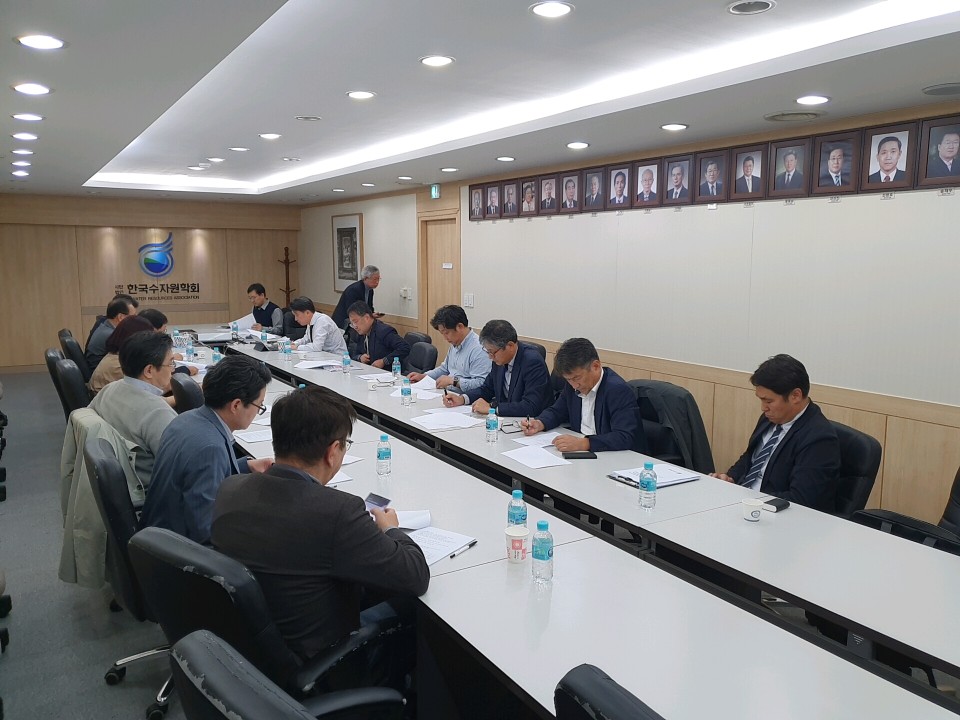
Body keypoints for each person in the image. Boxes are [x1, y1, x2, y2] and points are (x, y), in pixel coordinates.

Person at [211, 386, 429, 668]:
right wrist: (390, 529)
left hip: (247, 647)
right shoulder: (337, 512)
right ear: (333, 451)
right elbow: (415, 576)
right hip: (314, 659)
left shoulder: (230, 487)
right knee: (411, 607)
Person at [140, 354, 274, 544]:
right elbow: (206, 532)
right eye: (259, 405)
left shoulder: (187, 419)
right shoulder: (210, 448)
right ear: (236, 405)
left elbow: (195, 474)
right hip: (177, 550)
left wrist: (247, 466)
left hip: (159, 533)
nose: (258, 410)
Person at [710, 354, 840, 513]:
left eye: (769, 401)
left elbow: (802, 500)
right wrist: (731, 478)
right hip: (747, 503)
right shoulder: (770, 419)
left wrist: (749, 499)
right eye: (761, 400)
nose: (763, 408)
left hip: (777, 514)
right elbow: (750, 457)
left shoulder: (819, 438)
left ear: (795, 396)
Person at [88, 330, 177, 487]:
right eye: (170, 363)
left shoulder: (109, 389)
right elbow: (181, 467)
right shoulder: (158, 413)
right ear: (149, 371)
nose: (173, 369)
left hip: (121, 482)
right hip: (150, 490)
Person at [520, 338, 639, 453]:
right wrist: (540, 423)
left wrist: (585, 443)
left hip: (612, 456)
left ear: (595, 366)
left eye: (577, 378)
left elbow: (624, 436)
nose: (574, 385)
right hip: (580, 453)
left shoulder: (617, 390)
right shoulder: (573, 385)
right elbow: (557, 411)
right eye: (568, 379)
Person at [441, 319, 550, 417]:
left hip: (532, 423)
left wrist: (492, 409)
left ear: (510, 346)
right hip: (507, 420)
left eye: (492, 352)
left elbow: (531, 406)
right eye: (488, 352)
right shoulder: (499, 359)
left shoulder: (532, 362)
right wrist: (462, 399)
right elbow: (487, 389)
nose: (490, 357)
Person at [406, 305, 491, 391]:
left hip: (464, 397)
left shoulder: (479, 349)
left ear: (460, 326)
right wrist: (424, 376)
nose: (445, 338)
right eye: (442, 333)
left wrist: (454, 381)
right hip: (448, 392)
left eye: (446, 333)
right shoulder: (455, 342)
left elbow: (481, 383)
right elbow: (444, 369)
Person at [347, 301, 409, 369]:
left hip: (388, 372)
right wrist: (360, 357)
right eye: (352, 323)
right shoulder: (361, 333)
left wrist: (384, 361)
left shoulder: (384, 331)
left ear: (366, 318)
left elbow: (404, 347)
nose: (355, 326)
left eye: (355, 322)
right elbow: (354, 354)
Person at [84, 296, 137, 373]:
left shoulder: (105, 326)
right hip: (103, 375)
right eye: (133, 316)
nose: (136, 320)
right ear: (120, 317)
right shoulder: (111, 335)